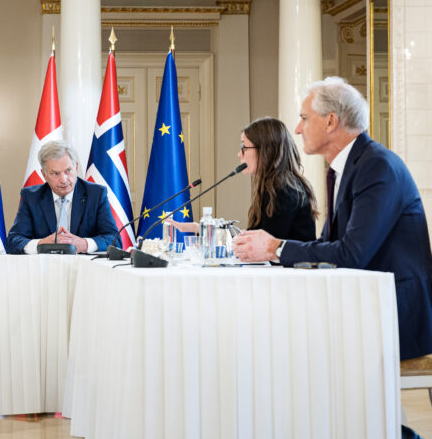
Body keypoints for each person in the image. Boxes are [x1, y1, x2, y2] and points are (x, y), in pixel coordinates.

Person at [233, 77, 432, 361]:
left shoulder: (376, 166)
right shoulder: (347, 168)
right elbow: (329, 245)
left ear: (330, 121)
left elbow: (353, 253)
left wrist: (275, 248)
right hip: (364, 306)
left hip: (394, 314)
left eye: (304, 118)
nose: (298, 129)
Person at [170, 117, 317, 241]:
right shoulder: (274, 185)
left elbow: (261, 246)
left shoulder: (285, 189)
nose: (239, 154)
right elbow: (254, 237)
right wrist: (203, 230)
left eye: (244, 147)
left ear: (266, 150)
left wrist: (211, 237)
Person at [5, 140, 117, 254]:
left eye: (68, 170)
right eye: (55, 173)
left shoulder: (96, 194)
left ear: (76, 167)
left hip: (84, 267)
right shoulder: (31, 197)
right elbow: (13, 241)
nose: (64, 180)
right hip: (43, 268)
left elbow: (114, 239)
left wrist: (85, 244)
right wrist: (42, 244)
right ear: (44, 175)